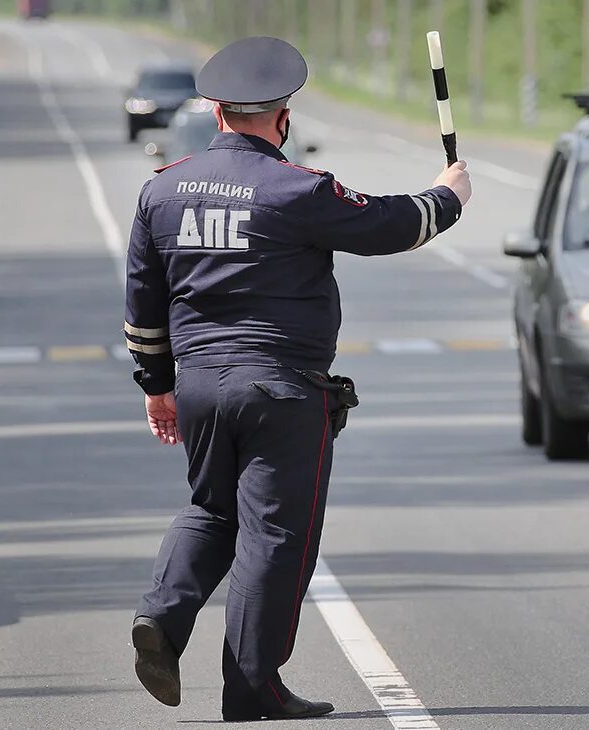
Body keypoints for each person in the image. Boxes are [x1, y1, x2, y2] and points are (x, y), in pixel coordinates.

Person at [124, 36, 471, 722]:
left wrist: (156, 387)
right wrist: (449, 195)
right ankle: (254, 688)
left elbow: (143, 304)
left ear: (217, 112)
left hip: (197, 386)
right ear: (283, 116)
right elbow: (390, 225)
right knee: (274, 537)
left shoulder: (160, 191)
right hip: (280, 390)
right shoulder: (297, 189)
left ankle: (161, 620)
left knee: (209, 511)